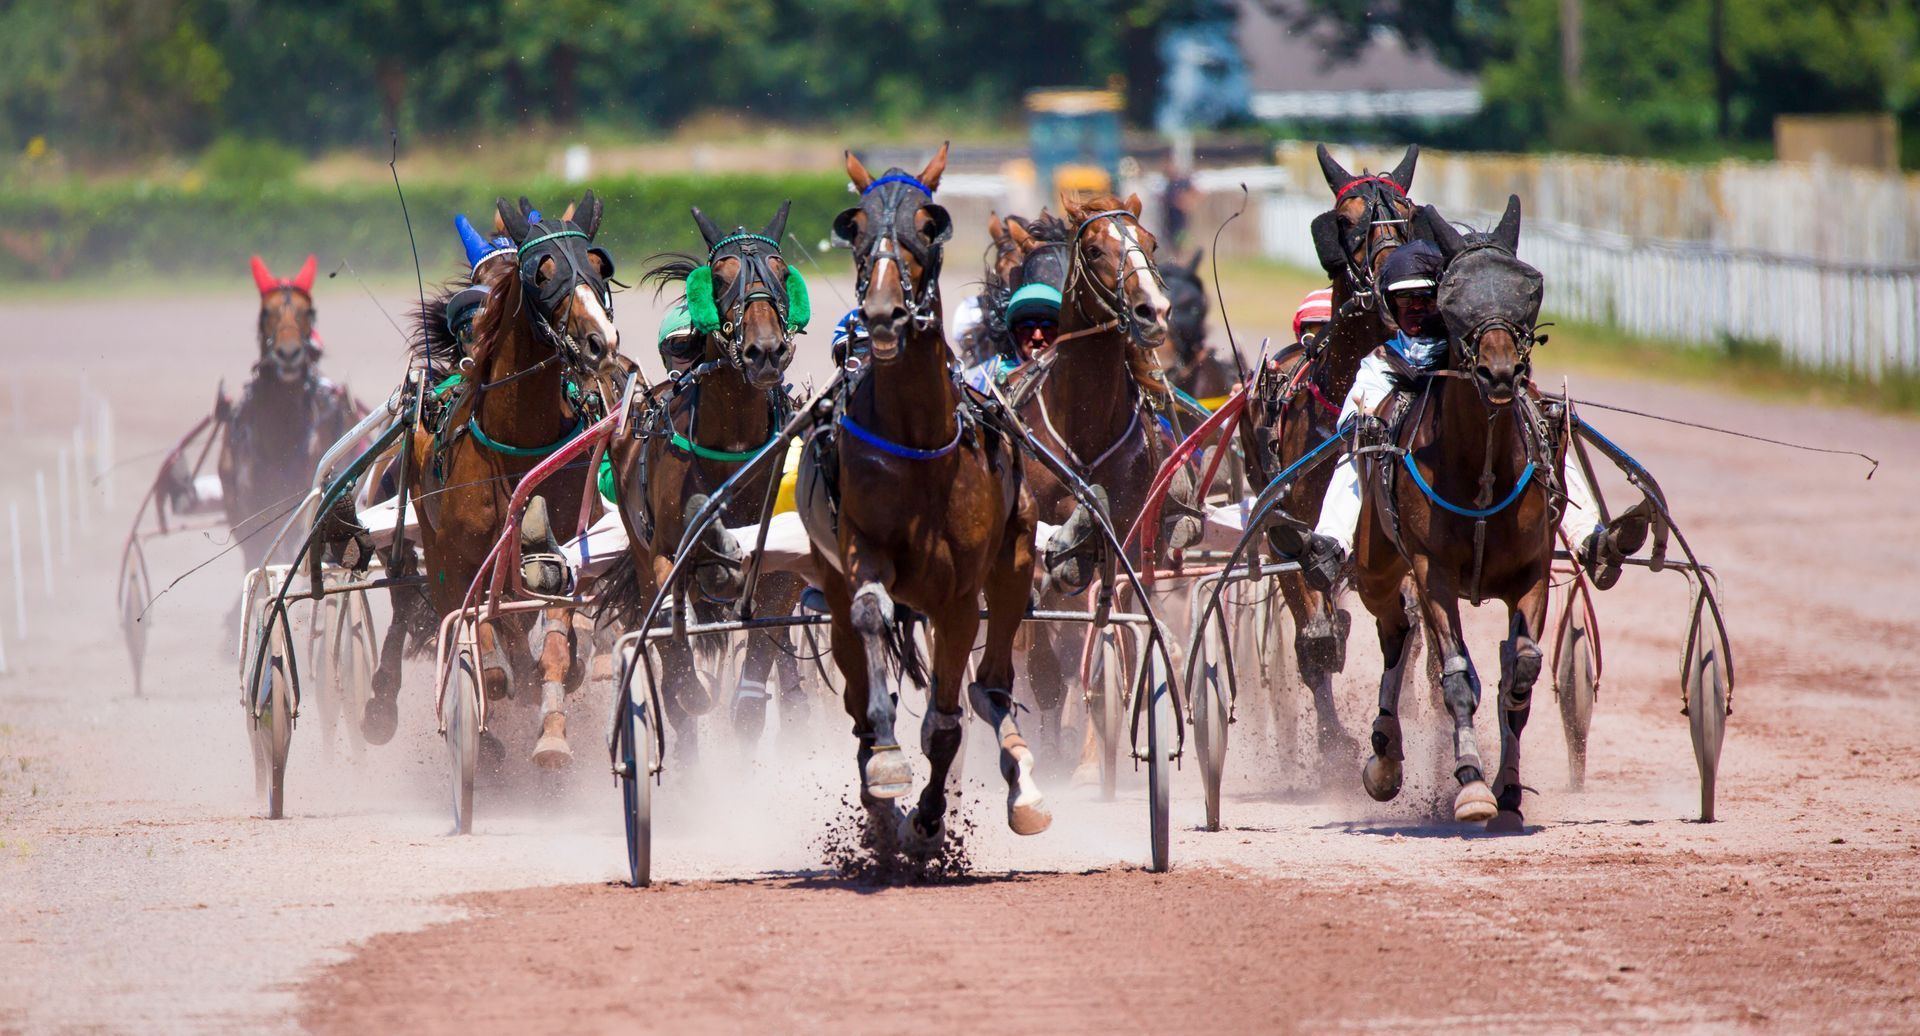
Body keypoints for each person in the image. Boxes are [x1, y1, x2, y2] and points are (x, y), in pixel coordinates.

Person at [1298, 240, 1615, 592]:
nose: (1418, 308)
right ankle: (1332, 544)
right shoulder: (1380, 361)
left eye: (1427, 299)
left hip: (1473, 476)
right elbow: (1352, 417)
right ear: (1390, 306)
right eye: (1406, 300)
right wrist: (1370, 420)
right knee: (1355, 452)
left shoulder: (1469, 354)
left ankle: (1590, 539)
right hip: (1405, 476)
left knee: (1542, 437)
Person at [964, 282, 1061, 391]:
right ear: (1013, 333)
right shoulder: (989, 378)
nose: (1037, 337)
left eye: (1048, 327)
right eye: (1027, 327)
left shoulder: (1071, 375)